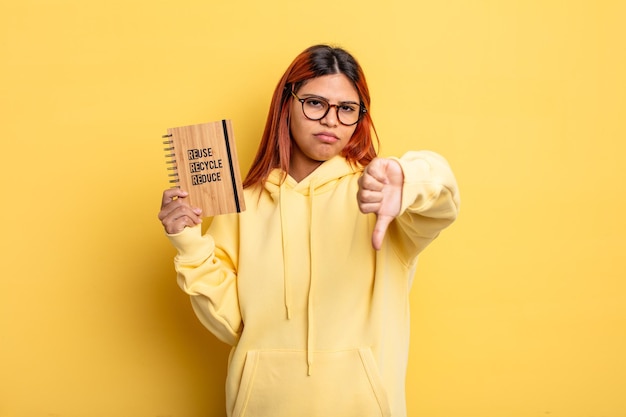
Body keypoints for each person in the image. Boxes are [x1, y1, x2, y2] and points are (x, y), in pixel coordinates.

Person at [158, 44, 460, 417]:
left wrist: (407, 180)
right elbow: (231, 323)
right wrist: (189, 244)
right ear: (287, 104)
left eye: (346, 109)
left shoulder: (380, 194)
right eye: (315, 103)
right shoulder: (244, 203)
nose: (331, 120)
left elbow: (443, 195)